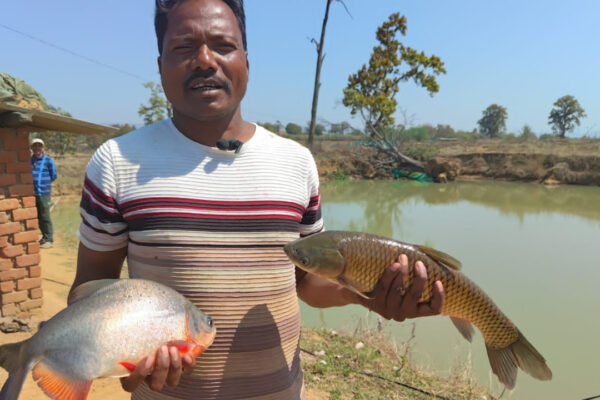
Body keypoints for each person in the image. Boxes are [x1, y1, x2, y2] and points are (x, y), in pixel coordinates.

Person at [69, 0, 445, 399]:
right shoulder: (117, 162)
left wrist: (368, 295)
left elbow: (308, 280)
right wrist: (125, 356)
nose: (204, 60)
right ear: (160, 63)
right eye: (183, 47)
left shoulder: (296, 162)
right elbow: (91, 287)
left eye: (223, 45)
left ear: (246, 60)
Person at [30, 138, 57, 249]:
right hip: (32, 194)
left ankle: (49, 239)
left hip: (44, 193)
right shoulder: (29, 160)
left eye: (39, 146)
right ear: (32, 148)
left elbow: (53, 175)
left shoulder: (48, 161)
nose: (37, 148)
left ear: (43, 148)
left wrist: (44, 183)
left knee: (45, 216)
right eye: (34, 146)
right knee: (38, 216)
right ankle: (44, 238)